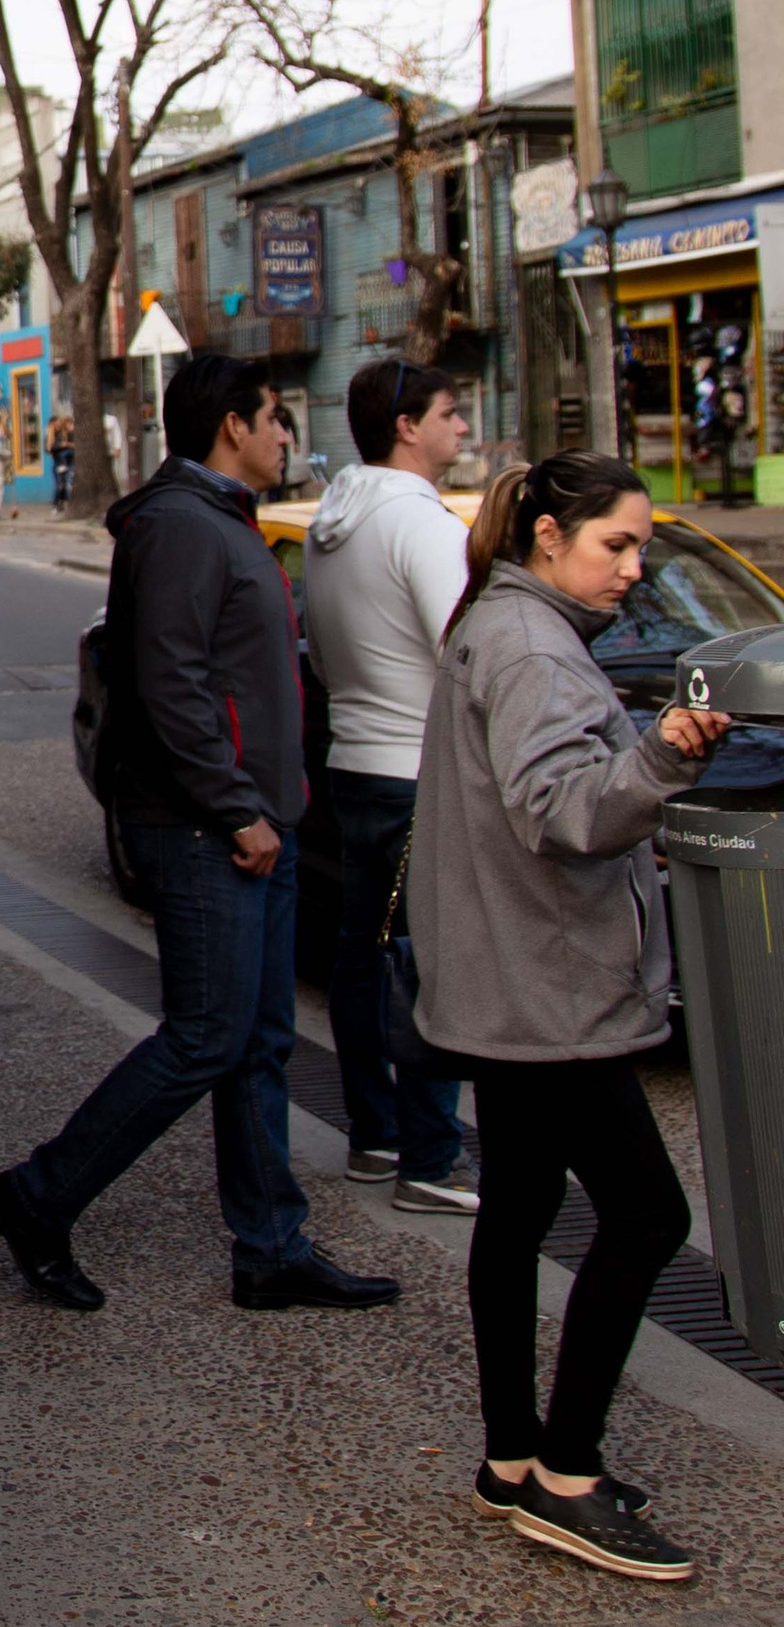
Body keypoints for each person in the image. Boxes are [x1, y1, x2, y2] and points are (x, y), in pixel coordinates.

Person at [0, 352, 401, 1314]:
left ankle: (272, 1248)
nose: (287, 435)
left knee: (257, 1042)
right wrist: (236, 807)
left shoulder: (221, 519)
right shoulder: (179, 526)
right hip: (211, 829)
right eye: (276, 418)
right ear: (232, 427)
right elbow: (172, 683)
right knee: (206, 1037)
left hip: (258, 822)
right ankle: (37, 1196)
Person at [414, 453, 725, 1583]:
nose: (634, 568)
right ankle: (568, 1474)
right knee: (647, 1215)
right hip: (546, 989)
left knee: (520, 1207)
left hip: (504, 978)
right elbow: (564, 813)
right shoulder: (533, 645)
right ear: (549, 536)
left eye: (641, 546)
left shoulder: (500, 620)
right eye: (616, 545)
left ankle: (510, 1457)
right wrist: (661, 756)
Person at [302, 358, 476, 1215]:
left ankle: (374, 1136)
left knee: (363, 956)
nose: (463, 426)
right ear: (407, 426)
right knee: (426, 964)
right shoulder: (422, 523)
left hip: (355, 762)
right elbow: (468, 655)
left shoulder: (329, 523)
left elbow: (322, 659)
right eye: (451, 412)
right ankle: (431, 1160)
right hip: (417, 772)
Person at [47, 409, 76, 512]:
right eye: (56, 424)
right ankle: (56, 505)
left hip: (68, 461)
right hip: (59, 462)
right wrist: (62, 445)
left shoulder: (65, 434)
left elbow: (72, 443)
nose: (58, 426)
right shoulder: (51, 437)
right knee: (60, 484)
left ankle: (63, 503)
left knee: (67, 484)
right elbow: (50, 449)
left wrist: (67, 444)